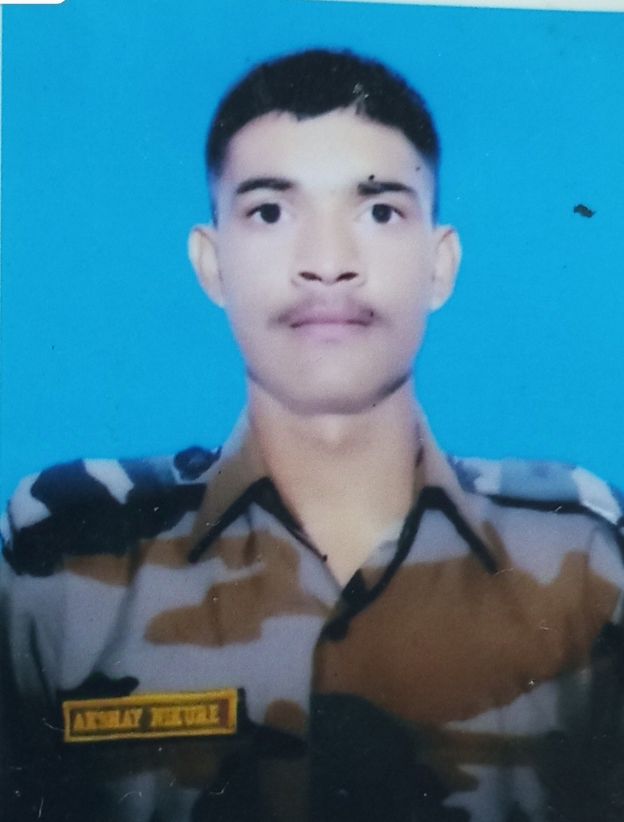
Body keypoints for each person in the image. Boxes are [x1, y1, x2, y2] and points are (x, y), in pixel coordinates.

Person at [1, 48, 623, 822]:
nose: (327, 263)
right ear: (211, 264)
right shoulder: (61, 563)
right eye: (270, 211)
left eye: (379, 211)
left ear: (440, 265)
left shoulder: (585, 559)